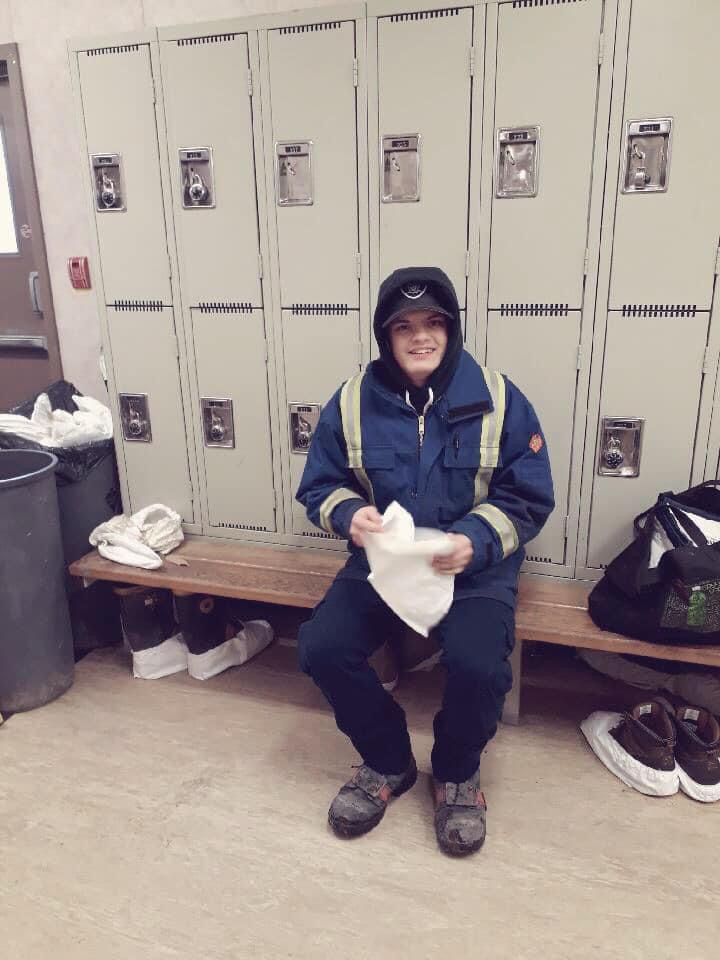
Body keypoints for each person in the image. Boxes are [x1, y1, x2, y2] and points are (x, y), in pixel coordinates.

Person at [296, 267, 554, 856]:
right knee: (321, 648)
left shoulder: (500, 398)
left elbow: (529, 497)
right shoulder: (351, 401)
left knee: (480, 666)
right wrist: (348, 516)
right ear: (385, 336)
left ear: (452, 329)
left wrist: (475, 541)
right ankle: (388, 762)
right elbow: (319, 486)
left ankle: (457, 773)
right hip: (387, 566)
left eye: (434, 322)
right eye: (404, 326)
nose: (420, 337)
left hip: (475, 566)